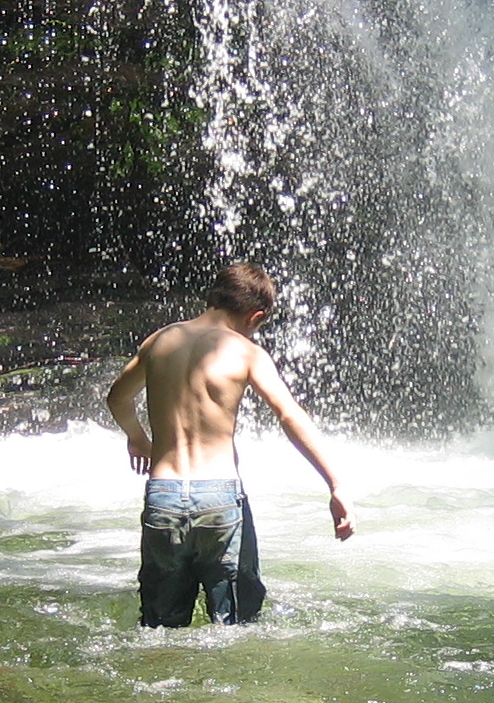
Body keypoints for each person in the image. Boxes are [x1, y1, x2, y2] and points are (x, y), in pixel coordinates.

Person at [107, 263, 354, 627]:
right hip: (219, 498)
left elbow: (117, 398)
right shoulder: (246, 352)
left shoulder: (160, 340)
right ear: (256, 316)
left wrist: (138, 438)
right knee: (237, 627)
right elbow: (289, 415)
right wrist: (336, 484)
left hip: (163, 495)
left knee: (159, 628)